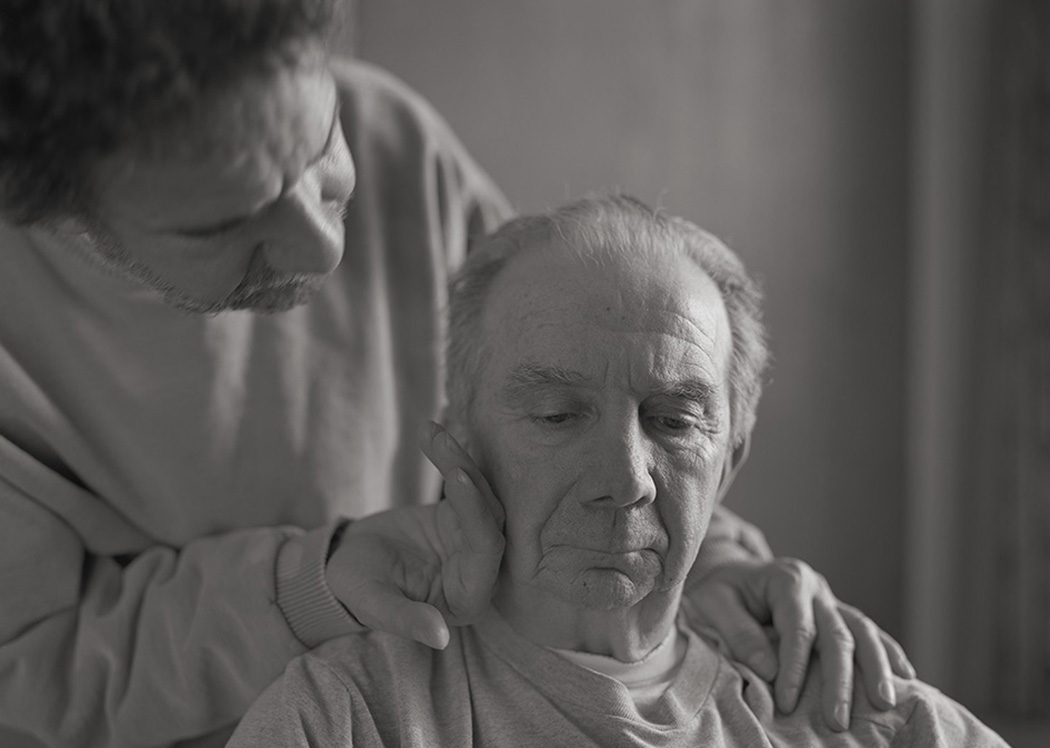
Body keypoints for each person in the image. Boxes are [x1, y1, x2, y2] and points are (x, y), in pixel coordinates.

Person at [0, 2, 910, 746]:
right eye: (218, 229)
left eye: (320, 154)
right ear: (60, 214)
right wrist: (312, 586)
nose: (325, 244)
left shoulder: (400, 143)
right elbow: (26, 677)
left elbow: (583, 384)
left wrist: (708, 565)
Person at [229, 196, 1007, 747]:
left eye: (674, 421)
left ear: (731, 456)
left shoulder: (869, 719)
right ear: (458, 445)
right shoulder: (343, 720)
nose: (624, 479)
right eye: (558, 416)